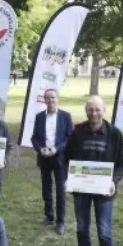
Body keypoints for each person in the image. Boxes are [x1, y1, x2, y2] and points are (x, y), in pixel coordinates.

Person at [64, 95, 123, 246]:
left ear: (104, 111)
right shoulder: (77, 132)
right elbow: (66, 157)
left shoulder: (114, 134)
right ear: (86, 111)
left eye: (97, 109)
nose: (94, 113)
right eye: (90, 109)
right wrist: (68, 178)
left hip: (104, 191)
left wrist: (114, 181)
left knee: (104, 231)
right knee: (82, 228)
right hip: (81, 190)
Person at [31, 88, 73, 235]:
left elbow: (70, 139)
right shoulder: (39, 117)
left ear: (58, 99)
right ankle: (49, 216)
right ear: (44, 100)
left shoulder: (65, 116)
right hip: (44, 158)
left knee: (61, 190)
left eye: (53, 98)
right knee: (46, 189)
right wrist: (40, 149)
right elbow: (34, 138)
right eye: (48, 98)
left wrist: (56, 149)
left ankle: (60, 221)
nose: (50, 100)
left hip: (60, 158)